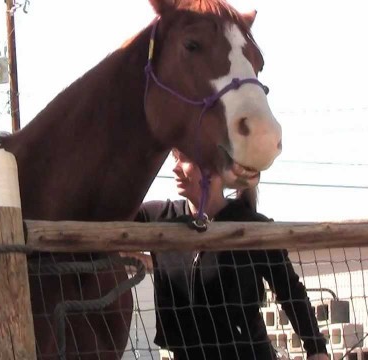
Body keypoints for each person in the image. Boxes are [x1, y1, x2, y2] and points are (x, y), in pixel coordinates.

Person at [135, 149, 329, 360]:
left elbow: (290, 291)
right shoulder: (160, 219)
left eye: (185, 159)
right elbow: (108, 215)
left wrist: (316, 348)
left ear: (215, 170)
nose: (175, 167)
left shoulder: (252, 227)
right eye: (175, 159)